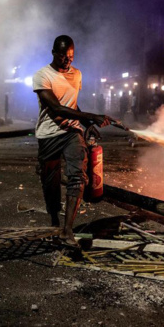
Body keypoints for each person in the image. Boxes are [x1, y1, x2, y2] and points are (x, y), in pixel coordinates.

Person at [33, 35, 113, 246]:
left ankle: (67, 230)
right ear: (53, 53)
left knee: (78, 176)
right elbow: (57, 108)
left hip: (71, 132)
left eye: (70, 56)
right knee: (50, 183)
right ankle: (53, 218)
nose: (67, 61)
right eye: (62, 56)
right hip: (49, 134)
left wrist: (87, 125)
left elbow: (71, 105)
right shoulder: (42, 76)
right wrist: (90, 116)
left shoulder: (76, 74)